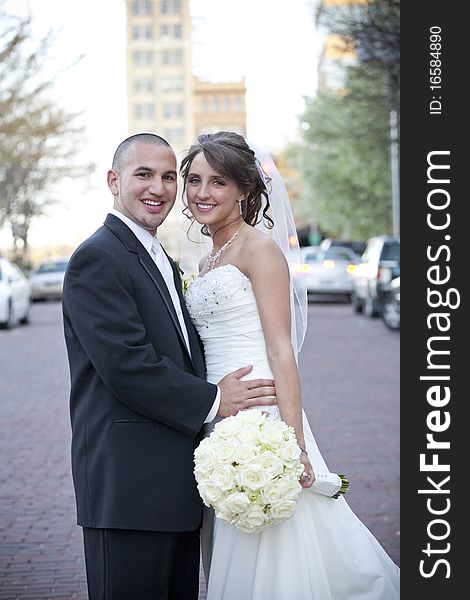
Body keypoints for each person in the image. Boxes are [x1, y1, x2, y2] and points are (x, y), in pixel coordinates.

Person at [180, 131, 400, 600]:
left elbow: (282, 351)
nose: (202, 193)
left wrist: (292, 444)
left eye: (217, 182)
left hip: (263, 416)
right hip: (220, 416)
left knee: (279, 538)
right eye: (195, 180)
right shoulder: (206, 258)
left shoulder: (258, 249)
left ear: (243, 188)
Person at [61, 132, 277, 600]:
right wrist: (217, 399)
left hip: (177, 488)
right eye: (143, 174)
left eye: (167, 177)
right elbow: (127, 366)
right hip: (129, 491)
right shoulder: (98, 258)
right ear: (114, 180)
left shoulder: (159, 255)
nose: (158, 187)